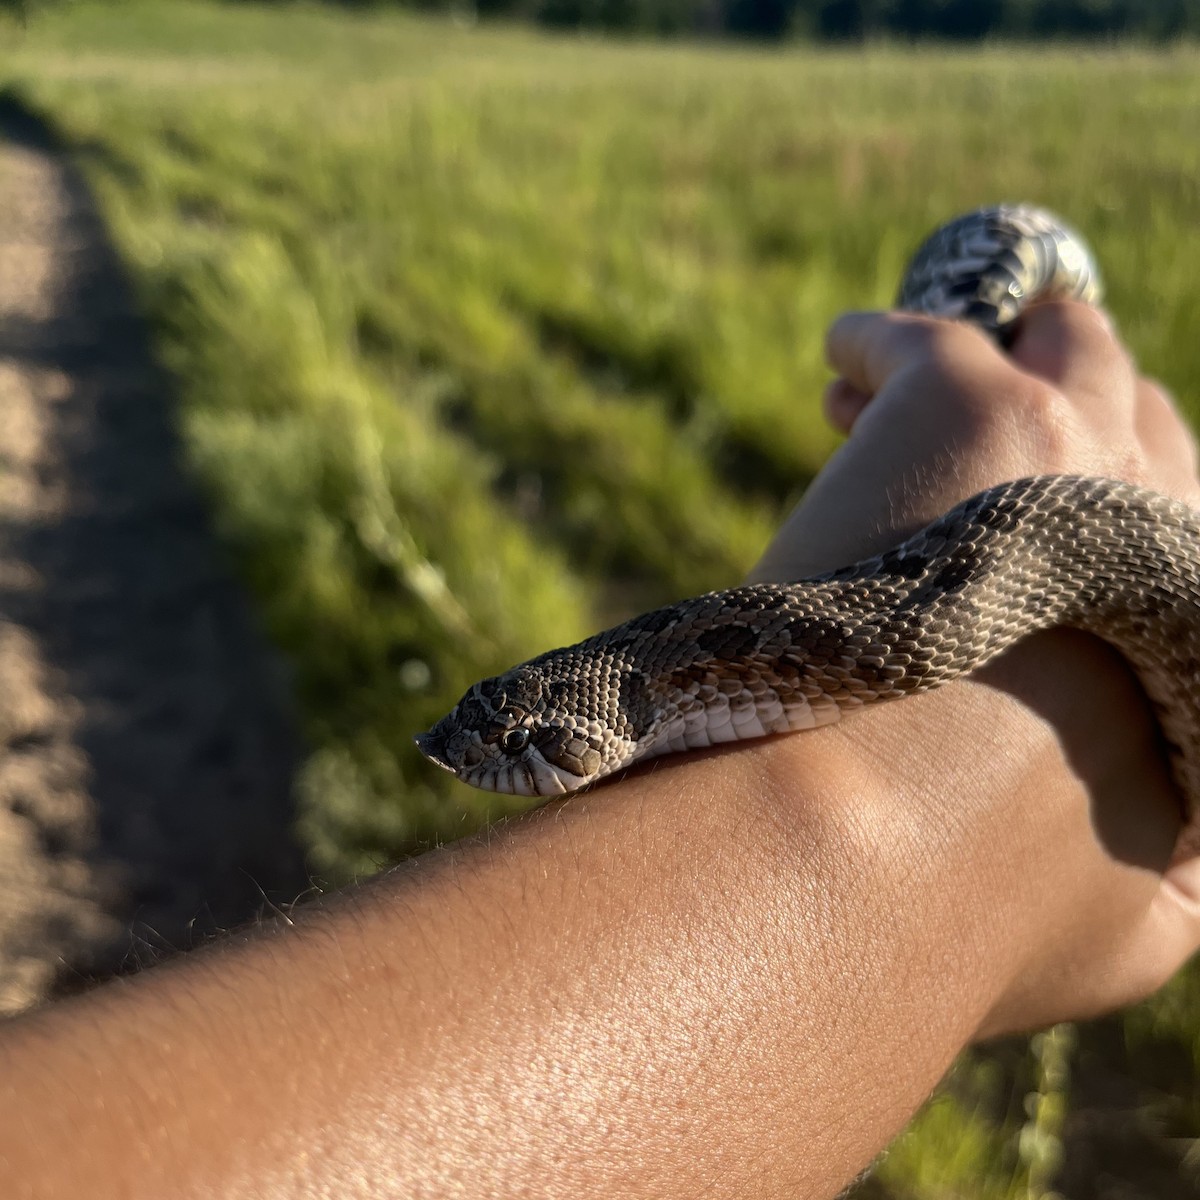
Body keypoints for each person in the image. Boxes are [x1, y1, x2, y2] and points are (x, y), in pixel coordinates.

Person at [2, 301, 1198, 1200]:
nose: (484, 761)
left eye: (520, 745)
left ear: (590, 721)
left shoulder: (801, 653)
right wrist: (874, 864)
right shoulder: (704, 676)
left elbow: (922, 621)